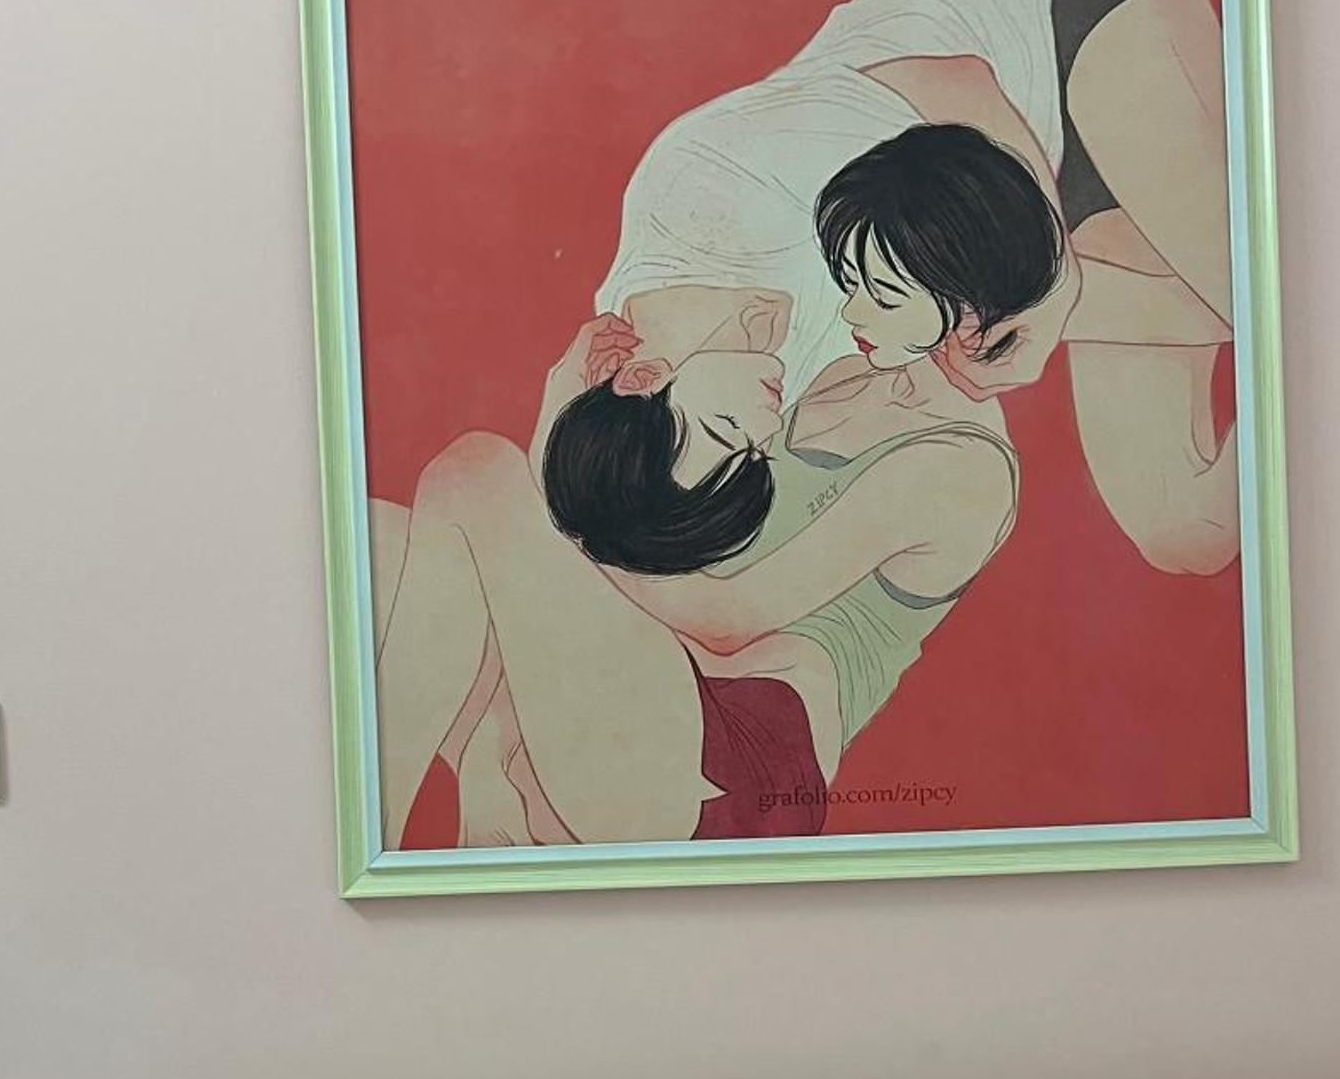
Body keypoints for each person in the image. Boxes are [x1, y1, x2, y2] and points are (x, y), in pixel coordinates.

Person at [373, 156, 1022, 850]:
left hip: (738, 760)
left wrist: (557, 493)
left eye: (883, 294)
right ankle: (485, 785)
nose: (850, 311)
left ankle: (394, 829)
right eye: (852, 281)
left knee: (478, 472)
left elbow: (728, 619)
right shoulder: (838, 379)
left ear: (969, 305)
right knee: (387, 543)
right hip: (660, 691)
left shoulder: (963, 467)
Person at [535, 0, 1237, 578]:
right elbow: (963, 326)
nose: (766, 430)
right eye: (753, 454)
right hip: (1050, 201)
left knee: (1254, 295)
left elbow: (954, 85)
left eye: (727, 431)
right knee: (1186, 533)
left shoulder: (699, 193)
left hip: (1050, 23)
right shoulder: (766, 378)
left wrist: (1052, 294)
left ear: (644, 376)